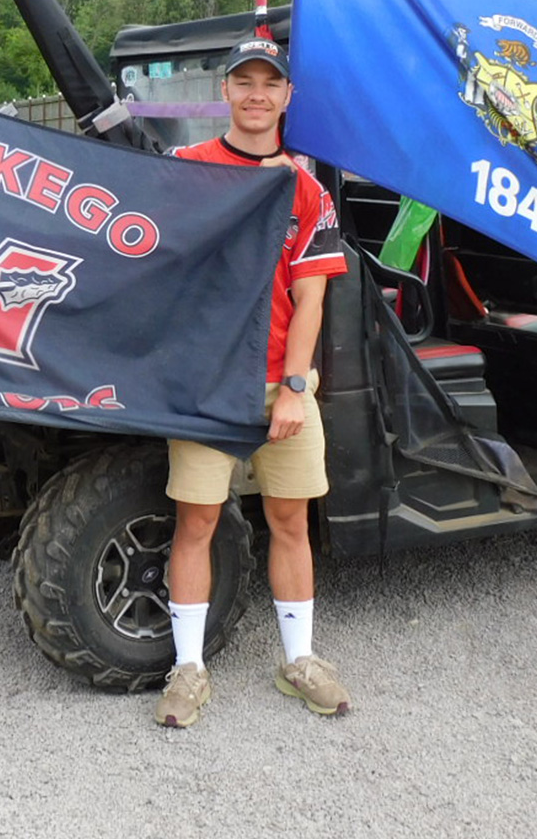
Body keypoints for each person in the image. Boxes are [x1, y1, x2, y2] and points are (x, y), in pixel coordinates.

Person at [154, 37, 350, 728]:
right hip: (207, 385)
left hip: (279, 385)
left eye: (271, 83)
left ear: (287, 96)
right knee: (197, 522)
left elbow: (312, 296)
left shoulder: (305, 187)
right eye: (245, 82)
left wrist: (297, 387)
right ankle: (188, 670)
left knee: (290, 520)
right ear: (227, 93)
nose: (257, 94)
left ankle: (300, 660)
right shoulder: (185, 170)